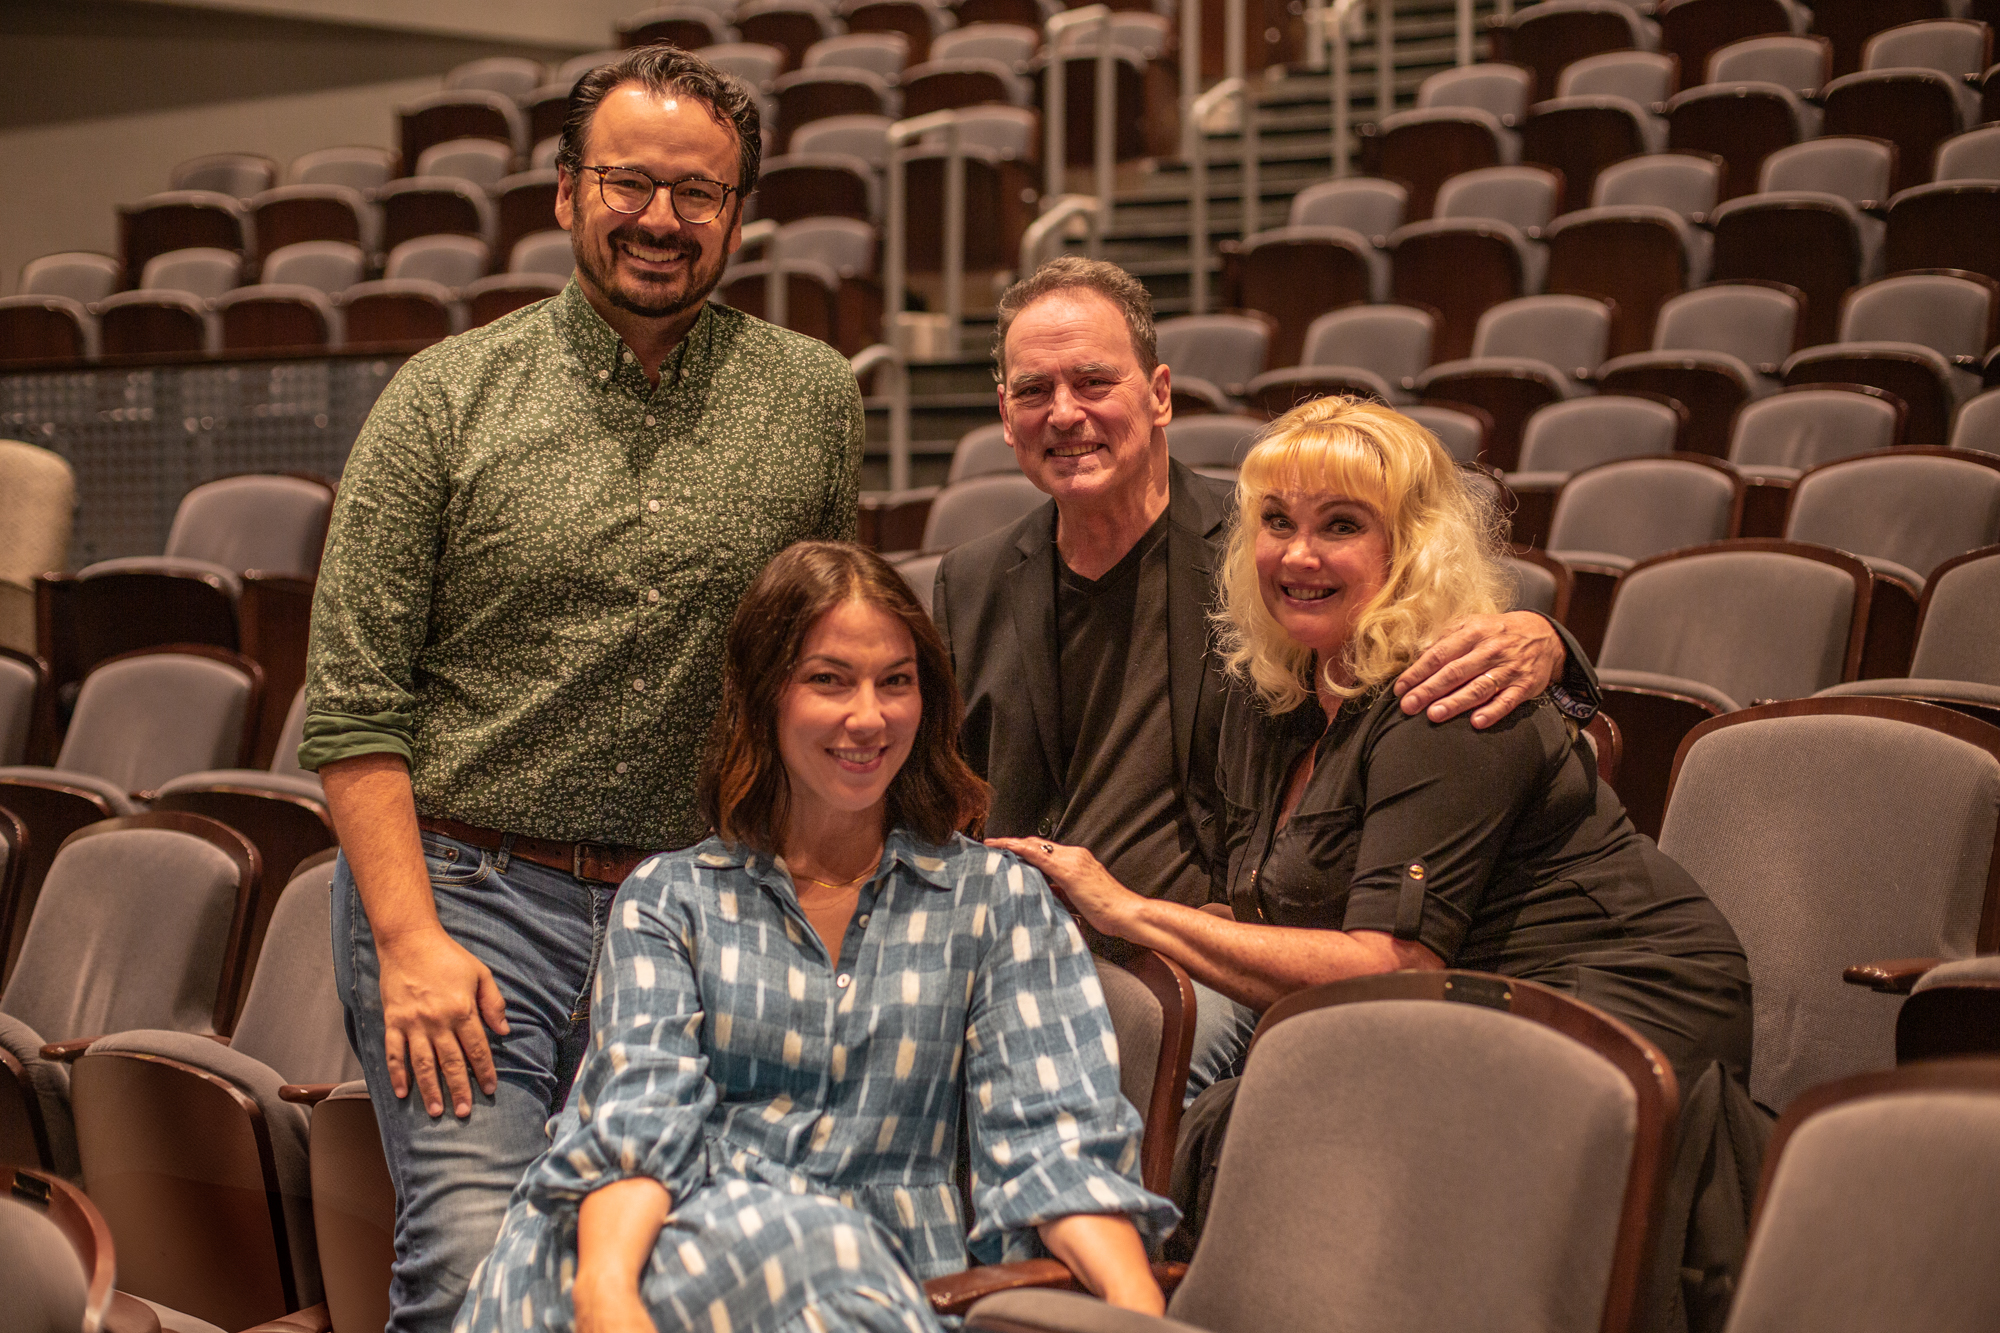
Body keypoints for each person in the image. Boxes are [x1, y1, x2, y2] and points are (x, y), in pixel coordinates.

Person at [299, 46, 864, 1333]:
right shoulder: (441, 398)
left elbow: (816, 671)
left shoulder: (813, 397)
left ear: (738, 213)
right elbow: (351, 703)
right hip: (467, 900)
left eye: (698, 194)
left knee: (665, 1265)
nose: (660, 219)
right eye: (628, 182)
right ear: (565, 194)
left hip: (690, 915)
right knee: (472, 1269)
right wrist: (409, 944)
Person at [990, 396, 1752, 1254]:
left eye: (1341, 524)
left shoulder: (1447, 697)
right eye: (1276, 521)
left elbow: (1393, 962)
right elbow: (1277, 920)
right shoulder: (1278, 691)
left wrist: (1128, 908)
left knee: (1271, 1118)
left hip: (1608, 1010)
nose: (1299, 553)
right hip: (1452, 1005)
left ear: (1410, 547)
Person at [454, 542, 1177, 1333]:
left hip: (879, 1281)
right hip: (652, 1251)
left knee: (819, 1242)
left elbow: (1055, 1142)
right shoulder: (669, 899)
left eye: (895, 682)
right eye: (828, 679)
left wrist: (1138, 1309)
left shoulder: (995, 902)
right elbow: (636, 1123)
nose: (867, 716)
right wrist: (608, 1299)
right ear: (767, 696)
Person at [932, 258, 1601, 1097]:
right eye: (1035, 390)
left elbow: (1426, 628)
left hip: (1200, 959)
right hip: (1018, 943)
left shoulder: (1267, 550)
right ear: (1005, 414)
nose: (1065, 413)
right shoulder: (973, 578)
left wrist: (1548, 639)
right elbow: (941, 785)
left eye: (1094, 380)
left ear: (1160, 394)